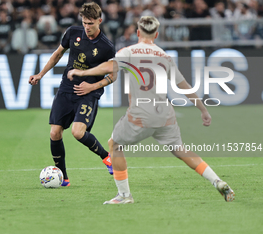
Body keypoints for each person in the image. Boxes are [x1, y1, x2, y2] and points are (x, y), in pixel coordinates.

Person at [67, 16, 235, 203]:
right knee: (181, 150)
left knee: (114, 145)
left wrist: (82, 72)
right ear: (156, 34)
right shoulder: (164, 56)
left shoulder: (128, 51)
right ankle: (217, 181)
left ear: (138, 33)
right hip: (164, 114)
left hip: (140, 115)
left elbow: (109, 66)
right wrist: (203, 110)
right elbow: (184, 85)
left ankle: (124, 195)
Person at [29, 2, 116, 186]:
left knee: (77, 132)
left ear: (99, 21)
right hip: (66, 89)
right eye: (84, 22)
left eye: (91, 23)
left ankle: (107, 157)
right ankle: (63, 177)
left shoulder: (106, 47)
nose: (87, 27)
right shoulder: (72, 33)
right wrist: (40, 74)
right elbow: (57, 54)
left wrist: (92, 88)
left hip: (87, 94)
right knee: (54, 132)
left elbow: (113, 75)